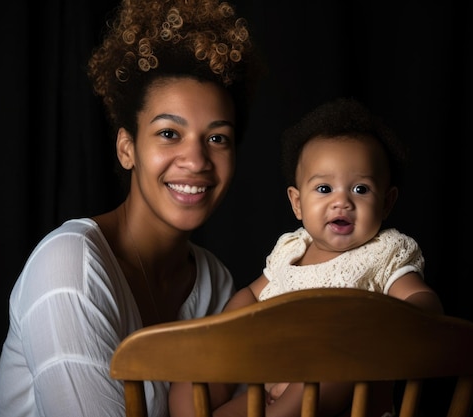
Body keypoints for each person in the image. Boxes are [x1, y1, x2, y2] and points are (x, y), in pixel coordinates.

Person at [0, 1, 263, 416]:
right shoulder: (69, 269)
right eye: (169, 133)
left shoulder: (215, 284)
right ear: (127, 148)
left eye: (217, 138)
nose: (196, 161)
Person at [176, 97, 444, 417]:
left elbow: (421, 299)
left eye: (360, 189)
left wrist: (387, 321)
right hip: (268, 395)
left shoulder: (385, 251)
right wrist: (223, 330)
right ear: (297, 202)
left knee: (337, 360)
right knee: (192, 379)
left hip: (347, 401)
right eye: (324, 189)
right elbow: (251, 293)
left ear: (386, 203)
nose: (341, 202)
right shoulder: (290, 250)